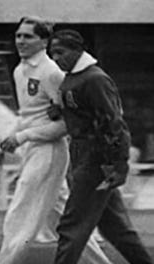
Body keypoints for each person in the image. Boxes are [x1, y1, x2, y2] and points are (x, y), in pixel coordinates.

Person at [0, 17, 114, 264]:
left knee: (19, 217)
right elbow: (28, 115)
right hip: (32, 150)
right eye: (18, 35)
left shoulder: (51, 73)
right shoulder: (20, 70)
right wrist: (10, 139)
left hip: (48, 152)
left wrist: (21, 137)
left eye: (28, 36)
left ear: (44, 41)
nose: (20, 41)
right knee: (64, 221)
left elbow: (66, 124)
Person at [48, 29, 153, 264]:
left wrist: (120, 164)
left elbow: (114, 121)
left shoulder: (94, 79)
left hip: (95, 157)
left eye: (60, 52)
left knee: (71, 226)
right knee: (115, 228)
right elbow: (84, 111)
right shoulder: (73, 78)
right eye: (52, 53)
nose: (55, 58)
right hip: (83, 155)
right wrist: (61, 111)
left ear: (78, 51)